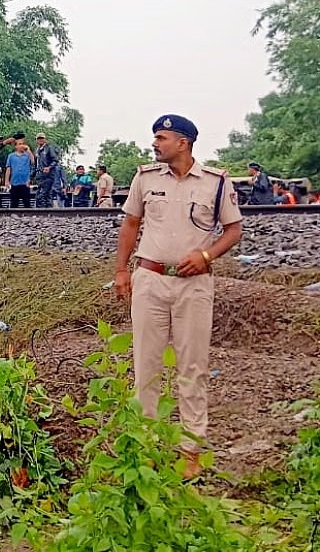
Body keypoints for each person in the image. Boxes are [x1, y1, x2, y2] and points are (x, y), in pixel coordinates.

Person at [114, 114, 242, 479]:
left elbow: (234, 230)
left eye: (162, 137)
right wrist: (122, 270)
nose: (155, 144)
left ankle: (189, 450)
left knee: (192, 367)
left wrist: (206, 256)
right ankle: (147, 447)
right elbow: (131, 224)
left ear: (183, 143)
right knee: (146, 366)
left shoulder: (216, 182)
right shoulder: (146, 178)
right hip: (150, 280)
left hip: (194, 286)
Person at [5, 141, 34, 209]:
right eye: (20, 144)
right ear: (16, 146)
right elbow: (8, 168)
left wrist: (28, 150)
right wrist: (6, 181)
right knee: (14, 203)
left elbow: (33, 161)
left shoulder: (27, 155)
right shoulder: (11, 156)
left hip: (25, 182)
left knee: (27, 203)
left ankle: (28, 218)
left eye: (23, 144)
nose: (22, 145)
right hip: (14, 182)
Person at [35, 133, 60, 207]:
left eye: (42, 138)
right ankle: (48, 212)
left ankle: (43, 211)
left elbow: (55, 160)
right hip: (40, 175)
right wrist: (32, 175)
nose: (40, 140)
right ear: (36, 140)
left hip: (48, 175)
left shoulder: (49, 148)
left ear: (45, 139)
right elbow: (35, 164)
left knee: (42, 195)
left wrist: (49, 167)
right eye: (39, 138)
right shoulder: (37, 150)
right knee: (47, 195)